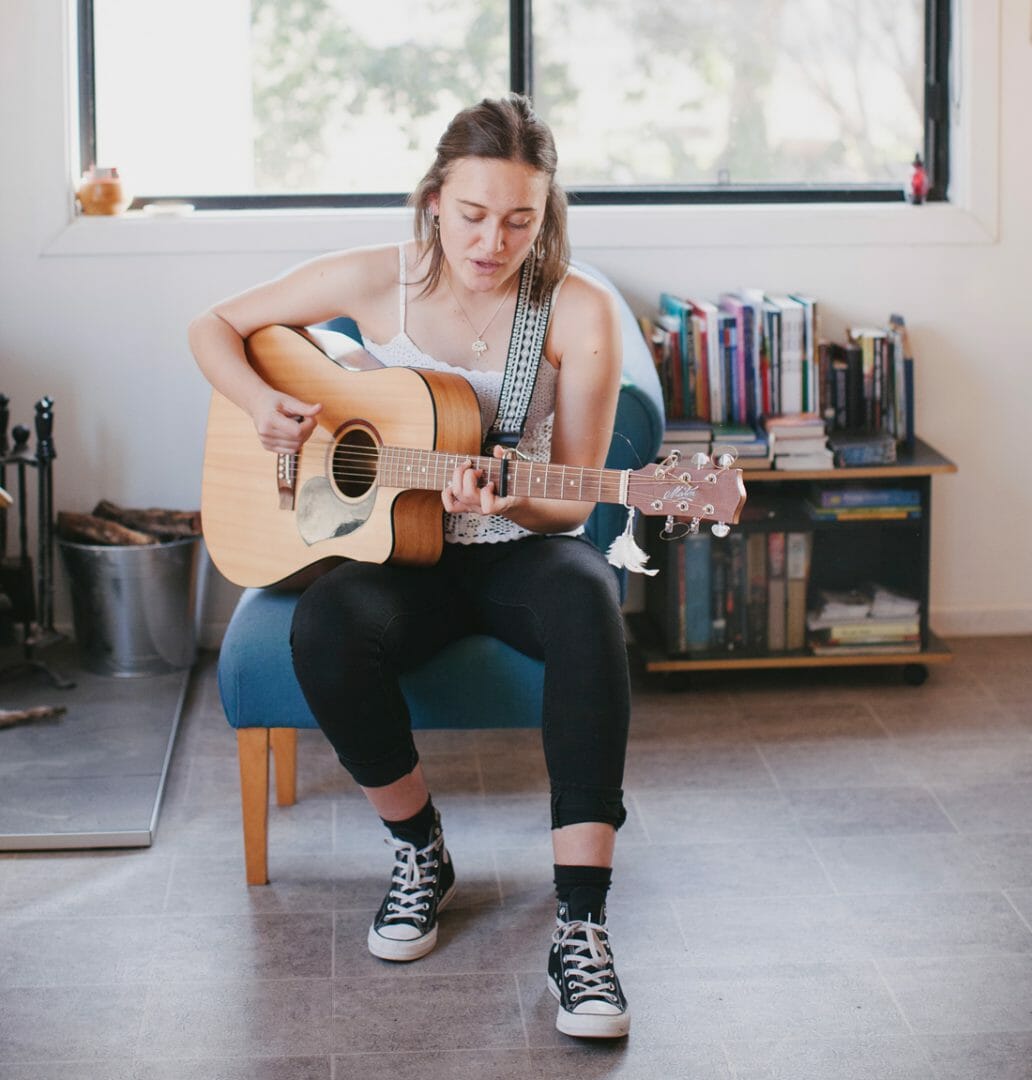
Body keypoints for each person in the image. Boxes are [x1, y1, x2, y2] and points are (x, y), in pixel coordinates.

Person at [188, 93, 631, 1040]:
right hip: (397, 551)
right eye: (473, 214)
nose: (493, 240)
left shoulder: (577, 310)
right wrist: (264, 405)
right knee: (326, 624)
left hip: (520, 548)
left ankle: (583, 925)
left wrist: (509, 494)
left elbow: (576, 499)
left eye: (521, 220)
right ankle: (419, 849)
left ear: (546, 215)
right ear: (434, 199)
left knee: (591, 601)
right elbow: (214, 328)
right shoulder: (374, 280)